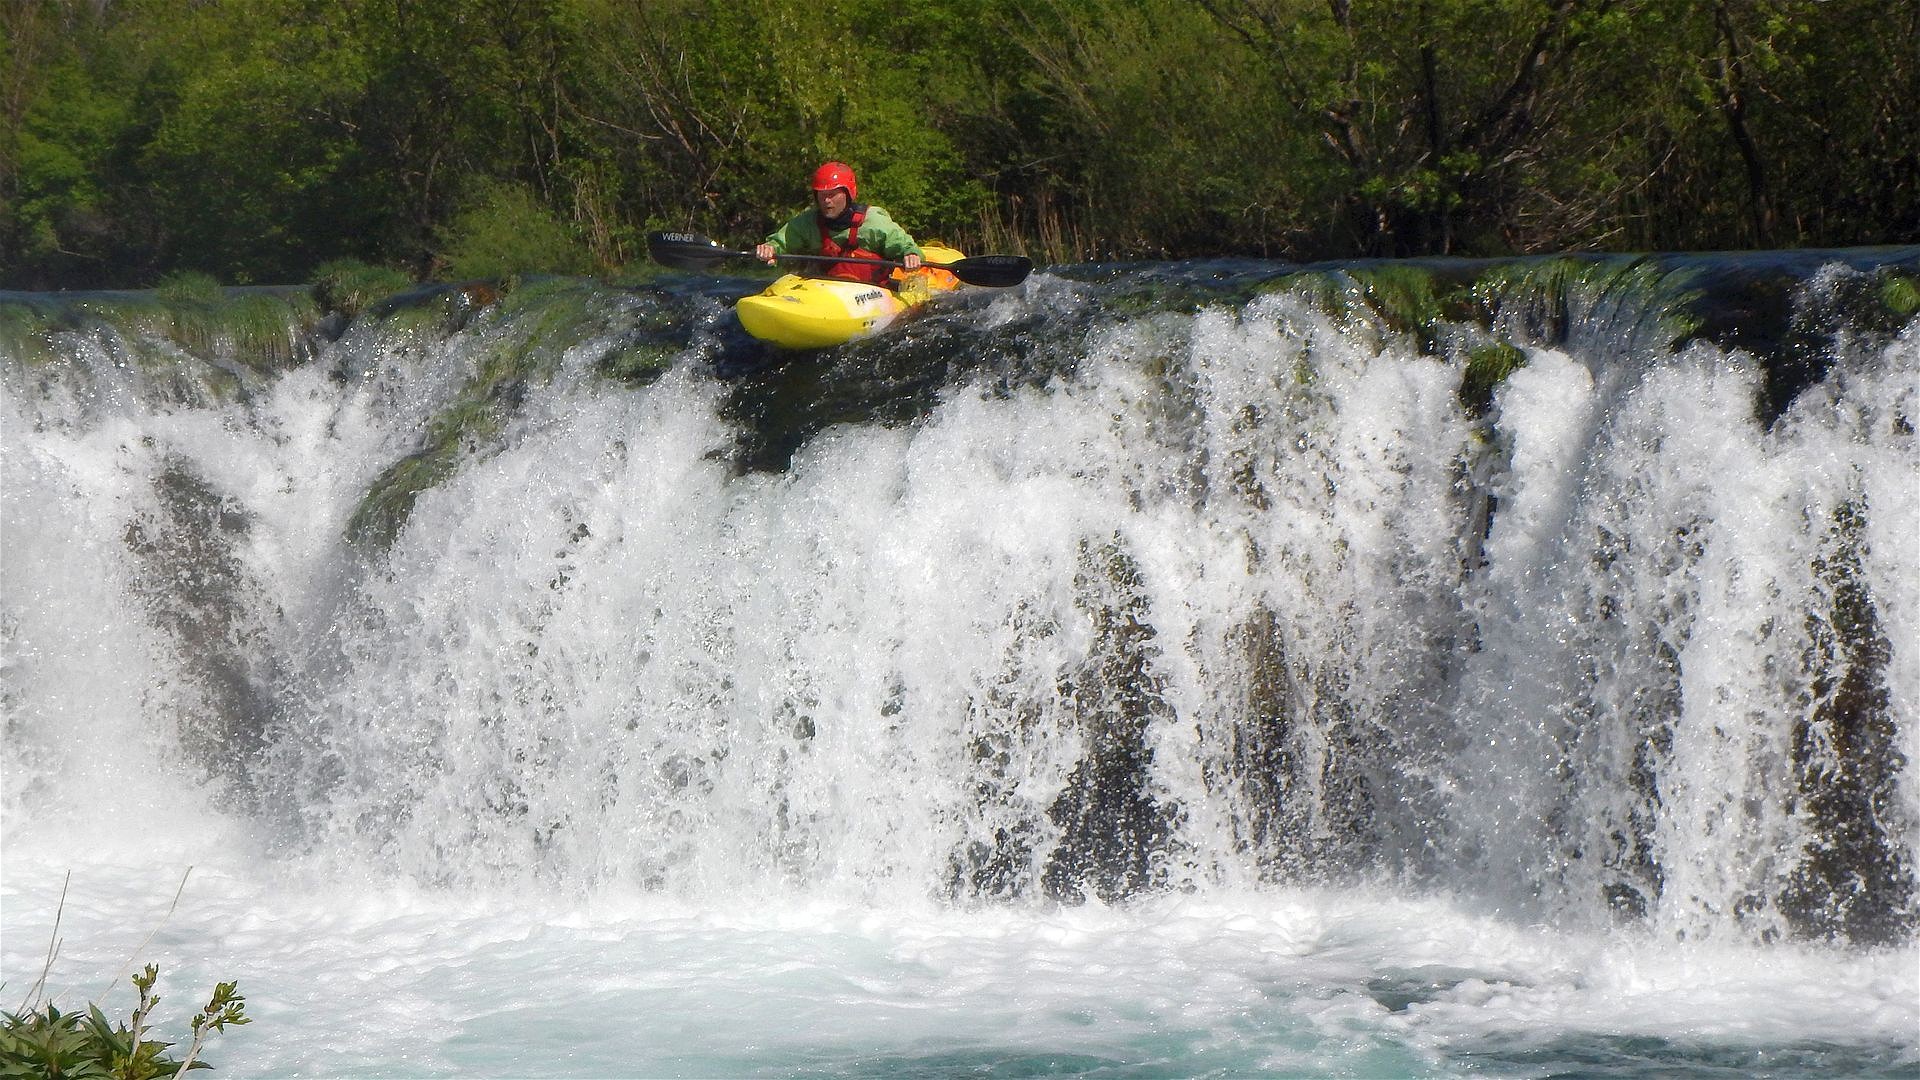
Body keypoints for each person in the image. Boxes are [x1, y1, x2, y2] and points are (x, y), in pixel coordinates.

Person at [755, 161, 922, 287]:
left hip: (873, 291)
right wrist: (770, 249)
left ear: (848, 194)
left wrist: (911, 255)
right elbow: (779, 243)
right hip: (827, 289)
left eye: (833, 194)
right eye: (821, 195)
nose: (827, 200)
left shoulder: (874, 223)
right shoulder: (807, 223)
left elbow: (908, 248)